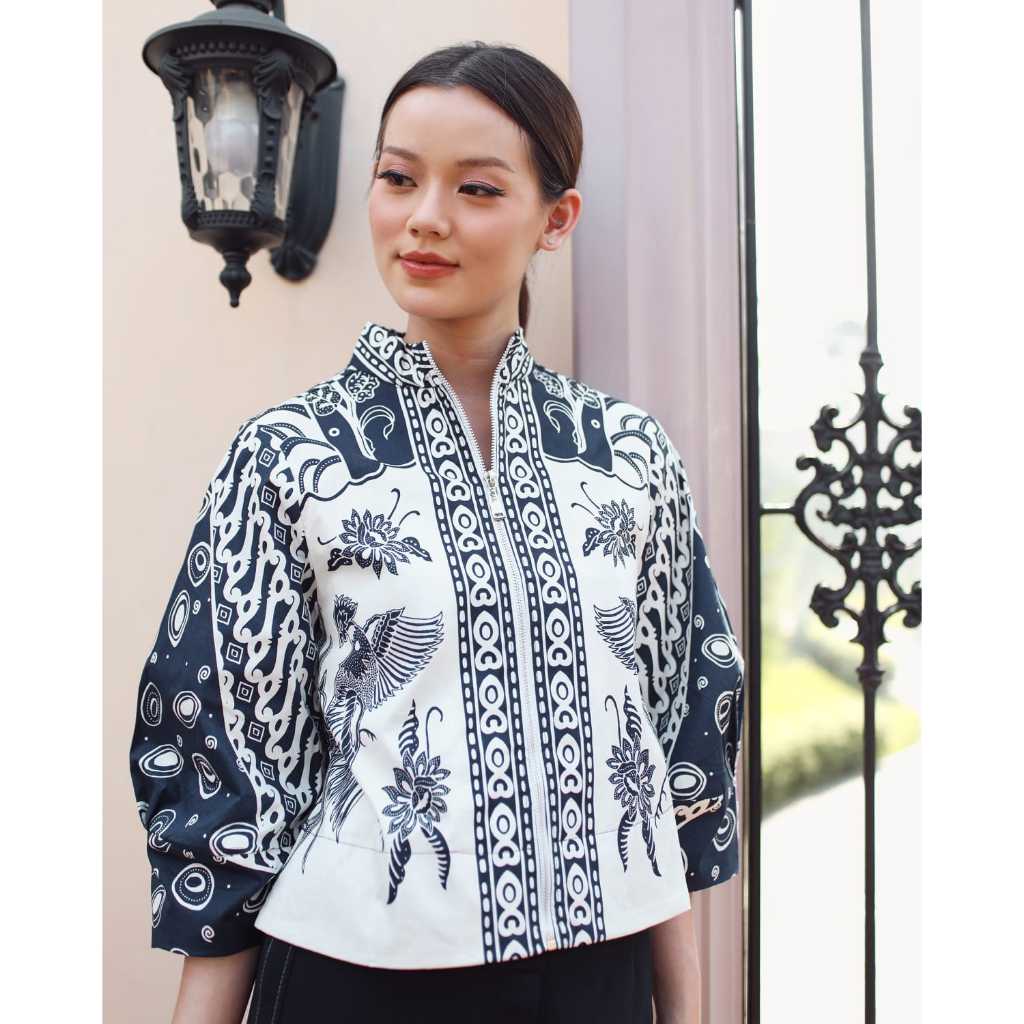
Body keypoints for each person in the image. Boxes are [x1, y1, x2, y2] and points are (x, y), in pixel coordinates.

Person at [128, 41, 745, 1024]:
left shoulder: (629, 456)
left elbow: (678, 742)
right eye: (398, 178)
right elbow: (230, 763)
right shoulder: (289, 454)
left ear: (556, 218)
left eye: (478, 188)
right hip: (353, 977)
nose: (425, 217)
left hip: (600, 975)